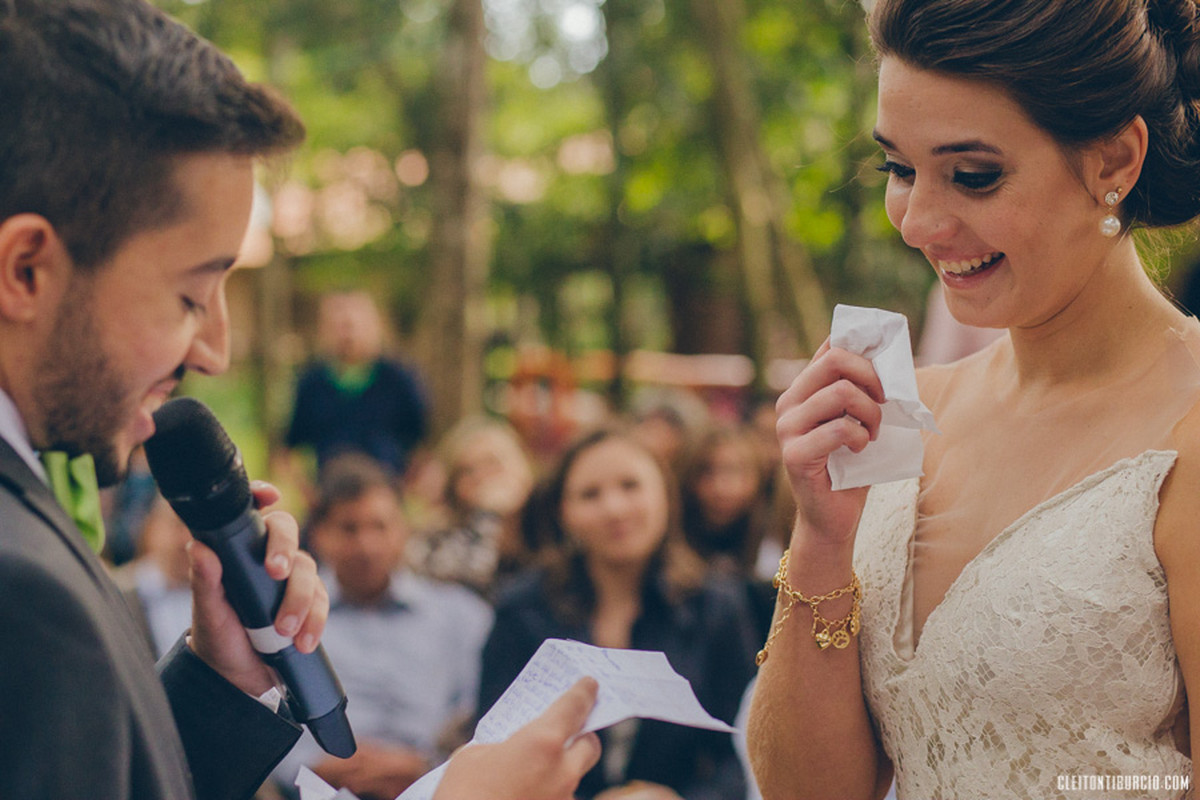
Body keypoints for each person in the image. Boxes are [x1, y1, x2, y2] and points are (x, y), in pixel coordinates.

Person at [0, 2, 599, 798]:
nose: (214, 350)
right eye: (189, 297)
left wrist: (222, 681)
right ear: (28, 271)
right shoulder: (21, 589)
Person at [748, 1, 1200, 798]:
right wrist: (820, 536)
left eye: (973, 175)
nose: (918, 221)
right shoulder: (903, 415)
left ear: (1114, 162)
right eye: (898, 168)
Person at [482, 427, 759, 800]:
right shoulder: (521, 610)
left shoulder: (716, 607)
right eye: (590, 494)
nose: (614, 509)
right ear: (564, 511)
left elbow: (743, 753)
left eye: (630, 486)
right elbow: (492, 752)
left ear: (665, 493)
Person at [273, 455, 493, 799]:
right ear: (320, 535)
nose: (367, 546)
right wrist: (309, 767)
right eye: (349, 528)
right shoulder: (288, 619)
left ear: (404, 528)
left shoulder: (462, 616)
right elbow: (265, 717)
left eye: (380, 526)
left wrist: (428, 764)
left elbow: (484, 715)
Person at [278, 289, 428, 498]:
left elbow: (422, 441)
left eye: (354, 325)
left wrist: (405, 488)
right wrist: (309, 494)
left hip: (387, 493)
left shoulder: (400, 378)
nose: (348, 334)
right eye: (339, 327)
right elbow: (288, 449)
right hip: (331, 497)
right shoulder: (311, 383)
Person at [408, 415, 536, 597]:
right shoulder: (434, 539)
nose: (481, 477)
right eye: (467, 471)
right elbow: (474, 585)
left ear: (522, 464)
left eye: (492, 462)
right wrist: (487, 517)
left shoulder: (551, 527)